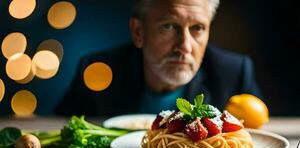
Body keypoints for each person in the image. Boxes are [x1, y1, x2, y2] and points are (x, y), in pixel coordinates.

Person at [55, 0, 261, 116]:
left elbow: (259, 139)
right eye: (169, 26)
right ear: (138, 32)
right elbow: (60, 131)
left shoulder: (234, 73)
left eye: (197, 28)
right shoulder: (96, 71)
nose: (185, 46)